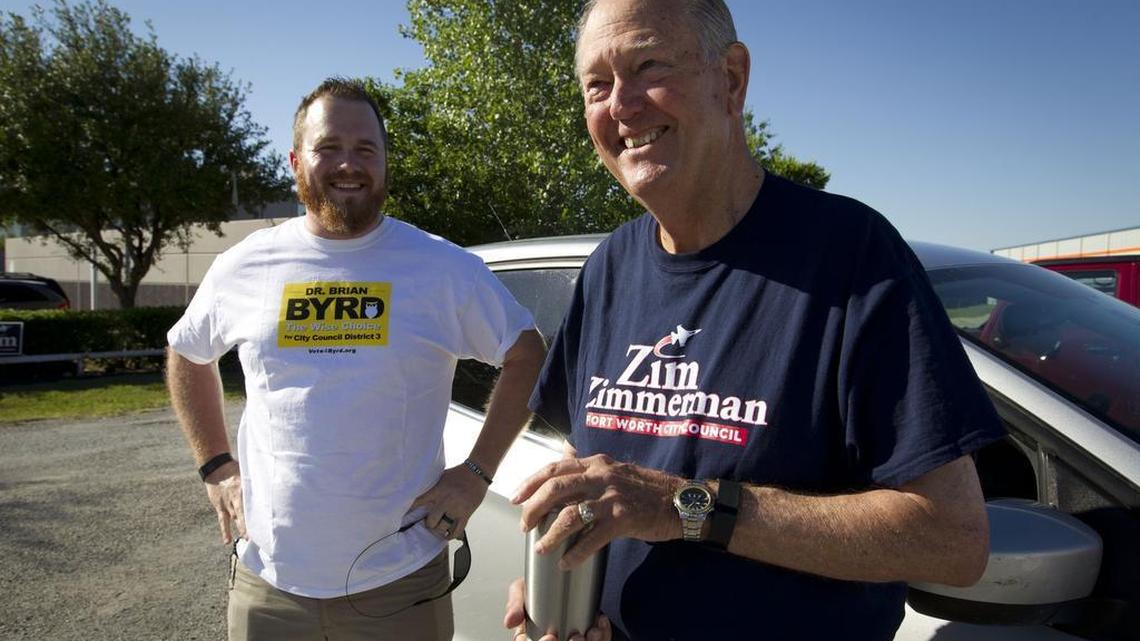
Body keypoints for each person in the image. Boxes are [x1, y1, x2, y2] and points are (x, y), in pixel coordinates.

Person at [503, 1, 1005, 640]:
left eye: (648, 65)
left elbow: (952, 540)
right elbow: (589, 454)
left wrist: (683, 507)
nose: (621, 105)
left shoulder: (852, 257)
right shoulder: (609, 267)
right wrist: (554, 580)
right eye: (596, 85)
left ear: (731, 79)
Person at [167, 77, 545, 641]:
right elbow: (185, 351)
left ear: (386, 163)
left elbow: (528, 355)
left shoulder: (441, 267)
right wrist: (216, 467)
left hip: (400, 583)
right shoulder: (247, 264)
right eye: (329, 148)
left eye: (366, 149)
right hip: (268, 583)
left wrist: (476, 474)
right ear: (297, 162)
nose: (349, 164)